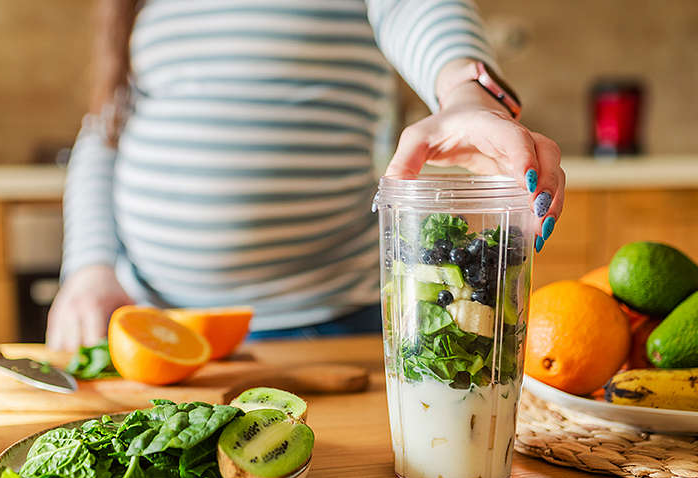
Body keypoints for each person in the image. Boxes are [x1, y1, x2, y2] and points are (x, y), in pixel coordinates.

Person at [47, 0, 565, 351]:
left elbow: (414, 6)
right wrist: (89, 265)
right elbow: (107, 129)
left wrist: (464, 92)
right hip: (159, 327)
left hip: (323, 327)